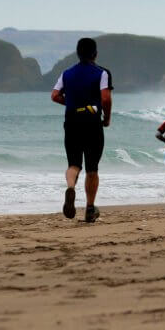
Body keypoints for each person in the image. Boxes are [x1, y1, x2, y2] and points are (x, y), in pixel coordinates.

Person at [50, 37, 113, 222]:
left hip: (71, 123)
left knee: (74, 165)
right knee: (92, 168)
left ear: (78, 53)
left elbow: (54, 95)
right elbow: (106, 99)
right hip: (93, 123)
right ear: (95, 53)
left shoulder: (67, 73)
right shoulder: (102, 73)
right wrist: (106, 118)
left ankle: (70, 188)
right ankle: (90, 209)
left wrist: (69, 103)